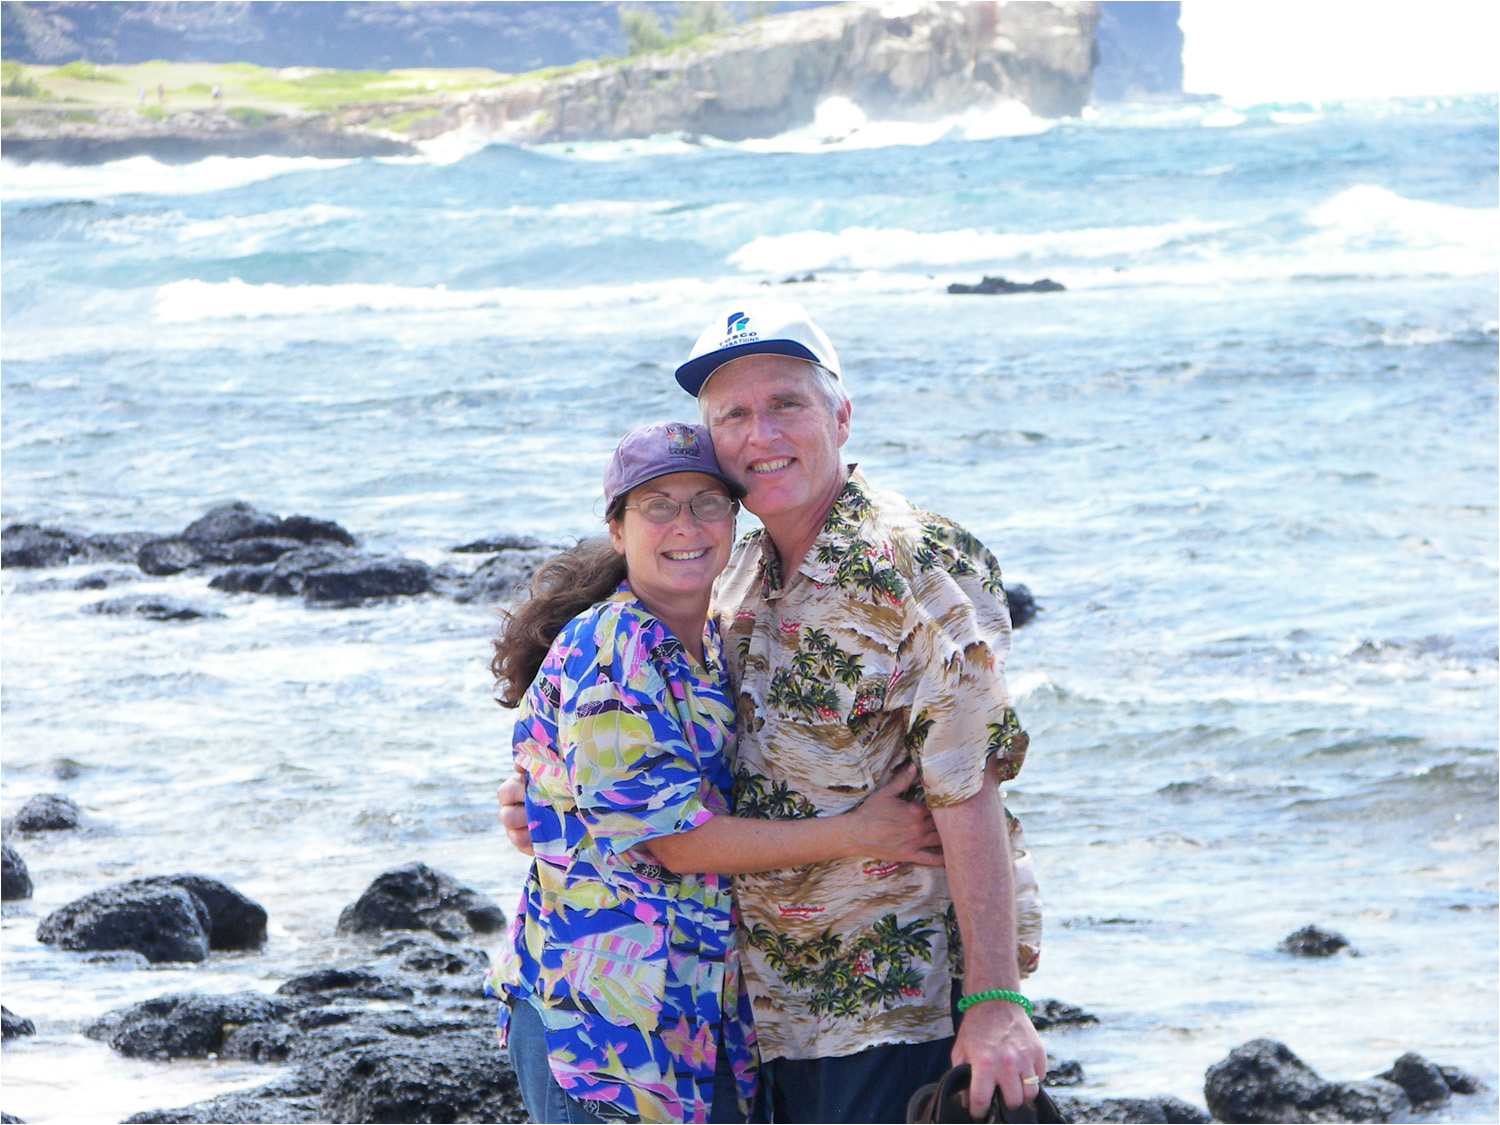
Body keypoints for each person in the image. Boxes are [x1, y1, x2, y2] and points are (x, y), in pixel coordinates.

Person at [502, 307, 1047, 1122]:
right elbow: (664, 773)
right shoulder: (738, 575)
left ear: (841, 415)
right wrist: (550, 796)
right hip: (744, 1015)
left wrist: (997, 998)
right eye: (734, 414)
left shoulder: (913, 559)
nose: (762, 432)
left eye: (786, 403)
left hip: (884, 1003)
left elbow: (967, 778)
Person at [487, 420, 946, 1125]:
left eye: (707, 501)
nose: (686, 523)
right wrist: (860, 832)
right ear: (617, 529)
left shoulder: (707, 643)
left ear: (734, 521)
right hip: (603, 1024)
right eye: (658, 504)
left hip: (691, 1018)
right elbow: (673, 839)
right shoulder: (614, 643)